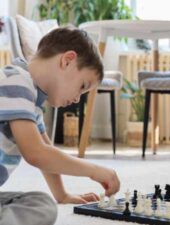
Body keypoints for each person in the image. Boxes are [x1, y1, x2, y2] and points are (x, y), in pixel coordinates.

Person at [0, 27, 120, 225]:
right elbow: (36, 153)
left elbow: (47, 152)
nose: (76, 99)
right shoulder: (17, 83)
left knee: (40, 203)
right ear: (67, 60)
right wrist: (94, 170)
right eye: (82, 87)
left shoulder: (32, 101)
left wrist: (62, 195)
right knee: (39, 209)